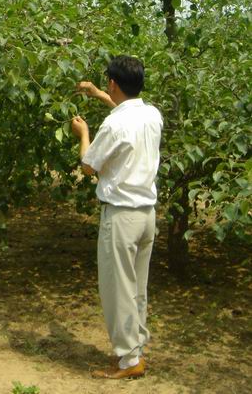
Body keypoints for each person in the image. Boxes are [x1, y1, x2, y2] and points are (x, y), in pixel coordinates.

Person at [71, 55, 163, 379]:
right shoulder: (152, 115)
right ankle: (135, 350)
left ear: (114, 83)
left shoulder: (112, 125)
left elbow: (88, 165)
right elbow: (126, 113)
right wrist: (99, 94)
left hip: (121, 218)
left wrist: (83, 133)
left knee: (117, 290)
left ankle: (128, 361)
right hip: (146, 216)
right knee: (136, 288)